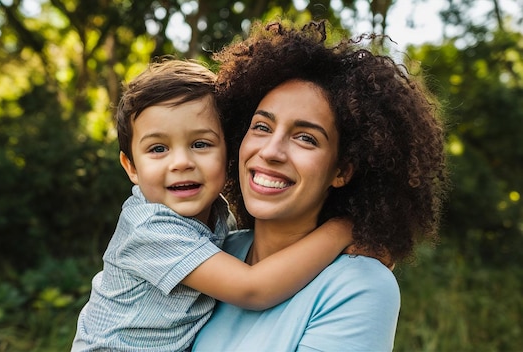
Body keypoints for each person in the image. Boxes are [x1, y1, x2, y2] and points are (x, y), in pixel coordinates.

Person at [193, 20, 449, 351]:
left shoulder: (361, 286)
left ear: (341, 170)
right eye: (261, 127)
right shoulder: (212, 252)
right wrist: (344, 229)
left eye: (305, 138)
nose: (270, 151)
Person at [71, 59, 354, 352]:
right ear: (131, 167)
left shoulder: (219, 215)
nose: (181, 162)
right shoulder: (150, 228)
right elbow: (252, 289)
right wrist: (343, 230)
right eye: (158, 149)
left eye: (201, 144)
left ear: (228, 150)